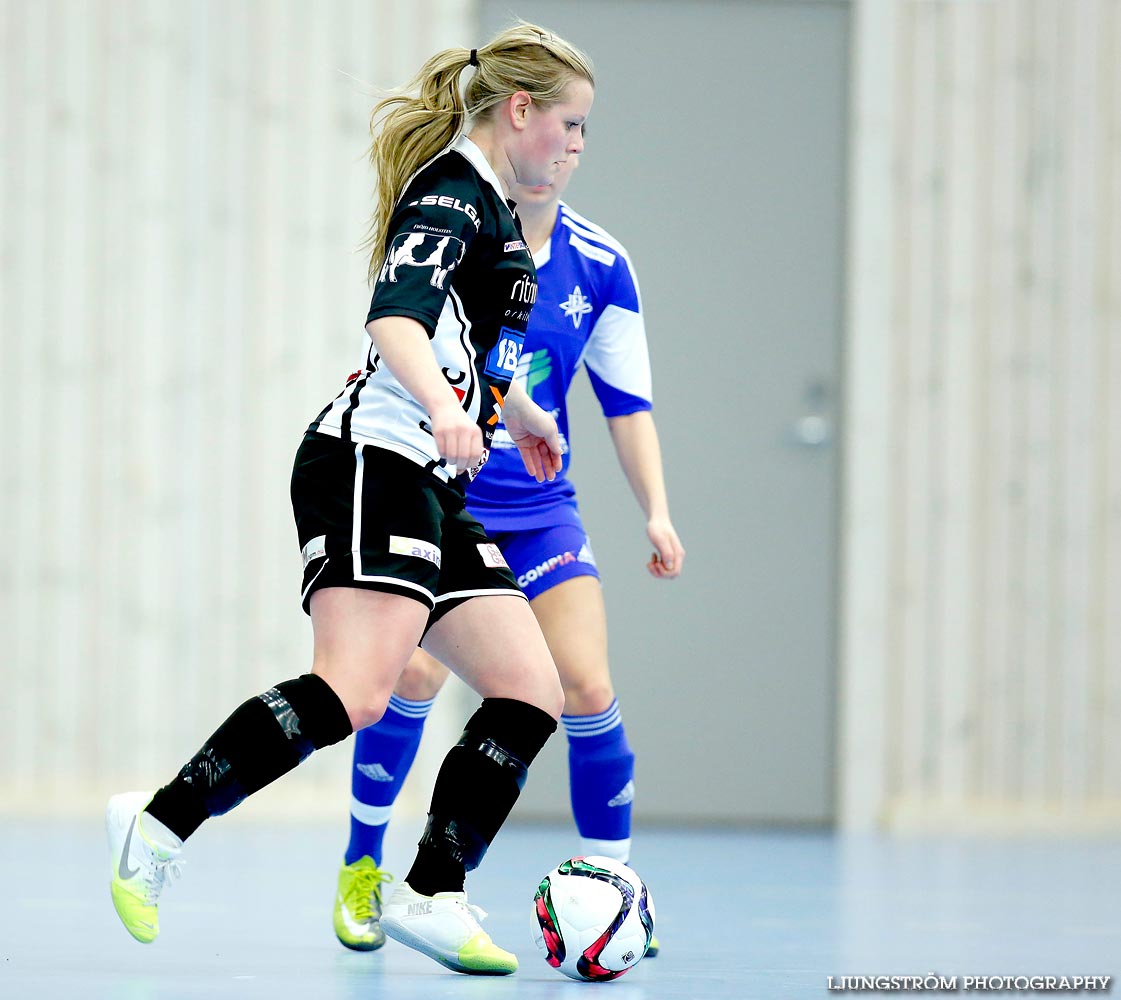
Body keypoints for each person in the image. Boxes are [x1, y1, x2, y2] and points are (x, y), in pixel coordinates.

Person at [105, 23, 595, 977]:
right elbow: (395, 320)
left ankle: (430, 889)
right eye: (570, 125)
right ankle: (156, 826)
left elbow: (471, 343)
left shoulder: (496, 208)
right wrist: (446, 407)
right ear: (522, 111)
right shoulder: (452, 194)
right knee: (354, 693)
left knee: (530, 688)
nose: (578, 146)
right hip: (372, 460)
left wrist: (521, 408)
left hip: (432, 480)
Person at [331, 152, 685, 955]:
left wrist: (656, 514)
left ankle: (612, 888)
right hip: (441, 493)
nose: (560, 152)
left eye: (577, 132)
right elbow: (399, 334)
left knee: (583, 685)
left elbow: (626, 404)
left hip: (536, 508)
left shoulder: (599, 263)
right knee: (408, 675)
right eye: (549, 127)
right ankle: (363, 866)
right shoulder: (456, 225)